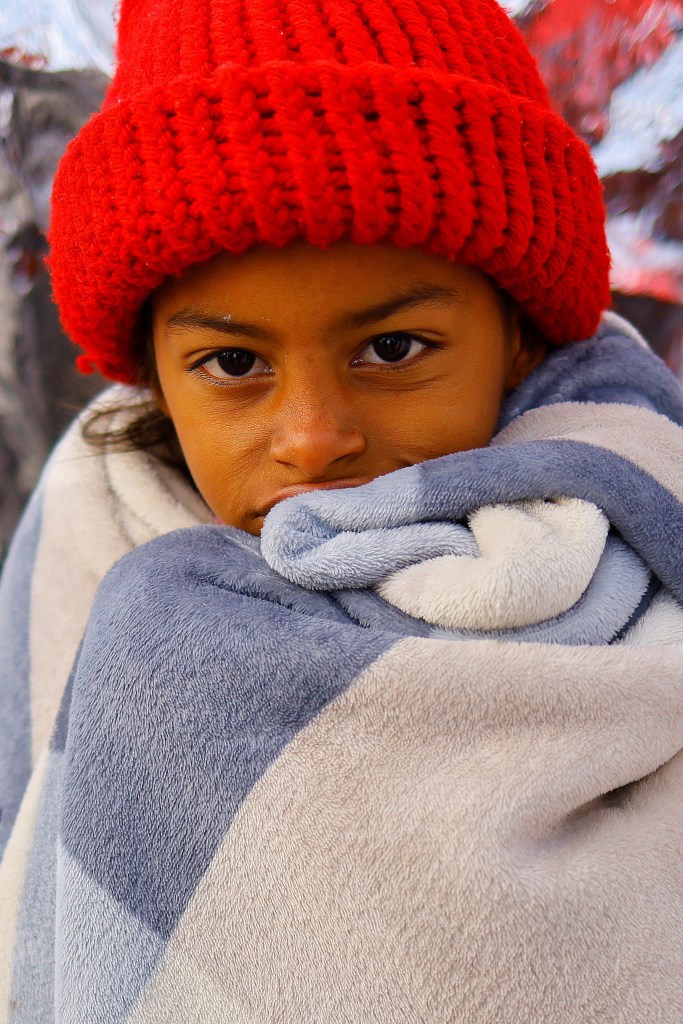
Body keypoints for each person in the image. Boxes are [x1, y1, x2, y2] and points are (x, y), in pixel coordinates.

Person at [1, 0, 682, 1020]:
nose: (313, 438)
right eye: (232, 364)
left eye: (393, 349)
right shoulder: (91, 539)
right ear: (153, 375)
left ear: (520, 334)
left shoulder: (632, 528)